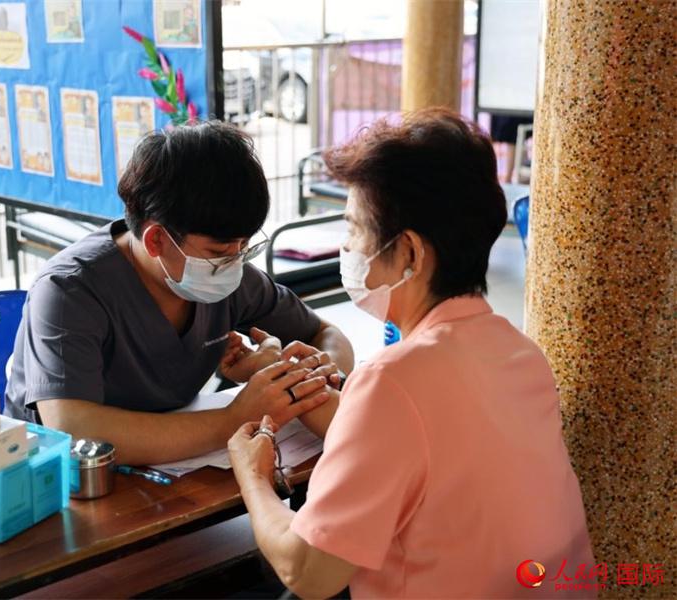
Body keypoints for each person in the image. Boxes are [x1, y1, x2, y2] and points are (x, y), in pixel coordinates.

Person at [229, 108, 595, 599]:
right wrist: (286, 378)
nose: (347, 248)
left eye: (355, 229)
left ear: (409, 253)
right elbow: (419, 444)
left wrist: (253, 476)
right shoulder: (519, 352)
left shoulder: (392, 380)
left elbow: (308, 570)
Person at [6, 120, 353, 466]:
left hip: (174, 473)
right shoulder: (69, 291)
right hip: (56, 482)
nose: (234, 261)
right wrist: (234, 418)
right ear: (156, 239)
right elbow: (74, 429)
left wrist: (311, 376)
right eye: (219, 252)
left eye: (244, 247)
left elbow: (325, 333)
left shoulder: (232, 275)